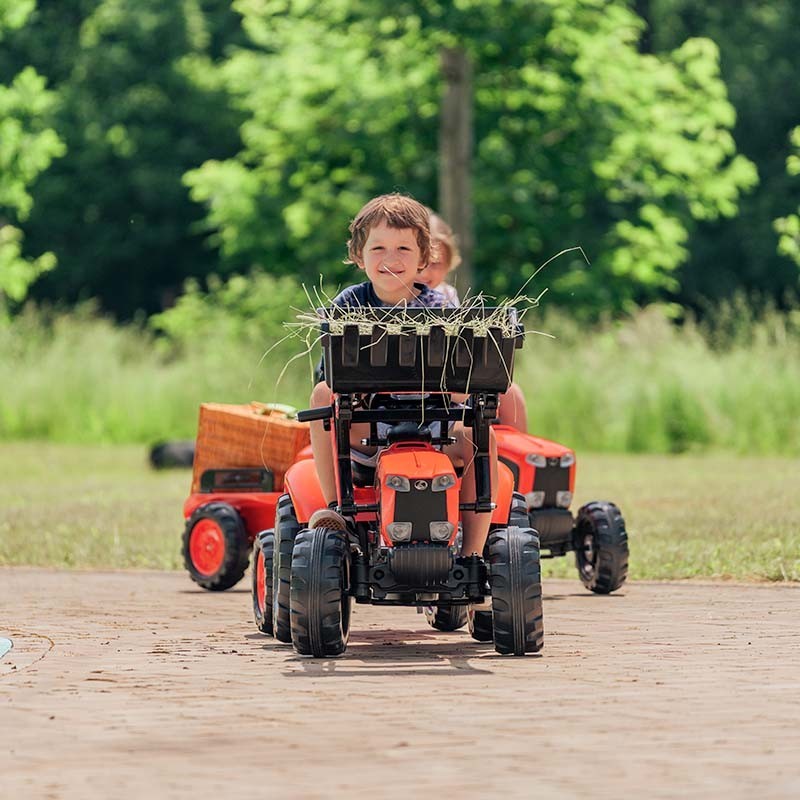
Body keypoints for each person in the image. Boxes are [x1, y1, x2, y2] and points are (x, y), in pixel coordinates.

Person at [307, 193, 497, 559]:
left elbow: (459, 382)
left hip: (433, 428)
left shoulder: (440, 307)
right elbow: (330, 372)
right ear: (359, 256)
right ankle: (337, 508)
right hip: (367, 429)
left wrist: (463, 388)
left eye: (403, 250)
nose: (390, 259)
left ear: (425, 258)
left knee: (482, 437)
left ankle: (473, 554)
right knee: (321, 392)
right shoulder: (349, 305)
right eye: (377, 248)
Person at [416, 211, 530, 433]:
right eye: (422, 264)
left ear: (449, 263)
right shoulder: (395, 296)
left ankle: (514, 454)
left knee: (512, 393)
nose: (426, 272)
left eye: (436, 264)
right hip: (418, 385)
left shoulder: (447, 296)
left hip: (451, 379)